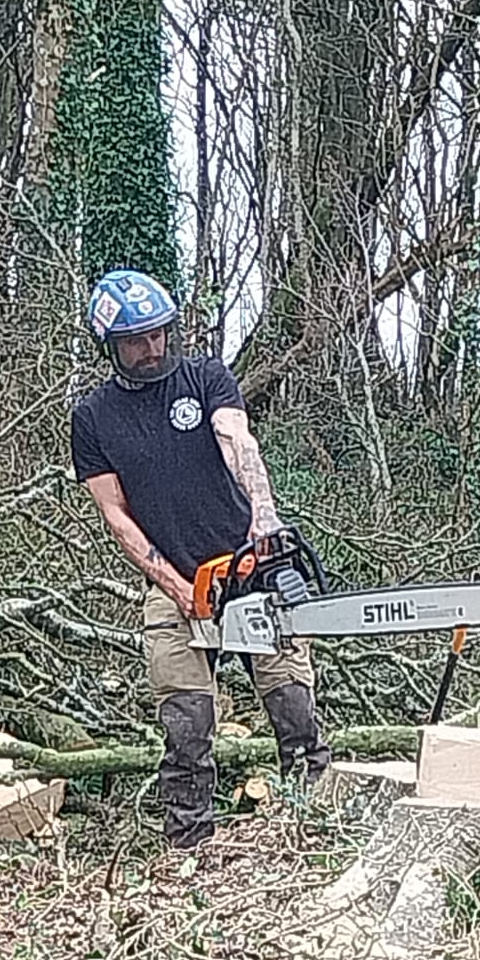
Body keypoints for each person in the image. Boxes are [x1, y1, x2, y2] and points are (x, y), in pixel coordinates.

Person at [70, 268, 332, 850]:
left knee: (292, 705)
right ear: (110, 345)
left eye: (159, 334)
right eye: (137, 340)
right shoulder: (93, 418)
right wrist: (174, 584)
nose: (152, 347)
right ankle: (189, 844)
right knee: (186, 725)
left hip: (249, 568)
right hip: (173, 580)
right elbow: (115, 513)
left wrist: (263, 518)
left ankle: (312, 826)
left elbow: (238, 441)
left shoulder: (206, 377)